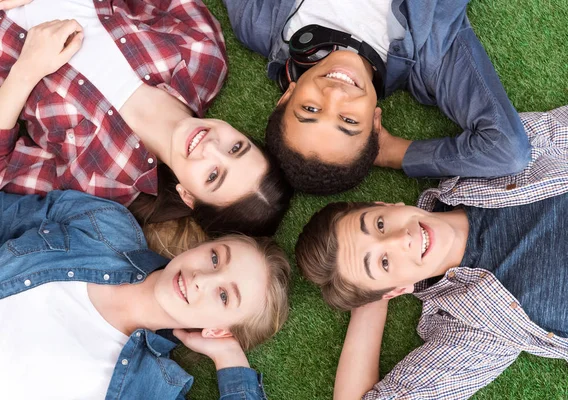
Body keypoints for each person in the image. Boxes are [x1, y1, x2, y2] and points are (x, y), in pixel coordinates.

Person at [295, 101, 568, 398]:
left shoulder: (484, 161)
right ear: (396, 290)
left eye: (379, 225)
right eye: (384, 262)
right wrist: (370, 297)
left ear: (387, 206)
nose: (402, 239)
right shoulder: (471, 329)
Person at [0, 0, 292, 237]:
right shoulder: (203, 60)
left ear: (187, 196)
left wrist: (26, 71)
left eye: (213, 176)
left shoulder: (99, 183)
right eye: (236, 148)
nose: (211, 146)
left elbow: (4, 167)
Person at [0, 189, 291, 399]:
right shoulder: (105, 224)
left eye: (225, 296)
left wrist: (229, 357)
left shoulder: (154, 387)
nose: (202, 278)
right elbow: (8, 214)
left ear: (217, 330)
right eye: (215, 258)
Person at [222, 0, 531, 194]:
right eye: (347, 120)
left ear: (287, 96)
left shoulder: (257, 22)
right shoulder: (432, 59)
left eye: (311, 108)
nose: (335, 94)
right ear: (375, 121)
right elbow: (507, 150)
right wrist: (395, 152)